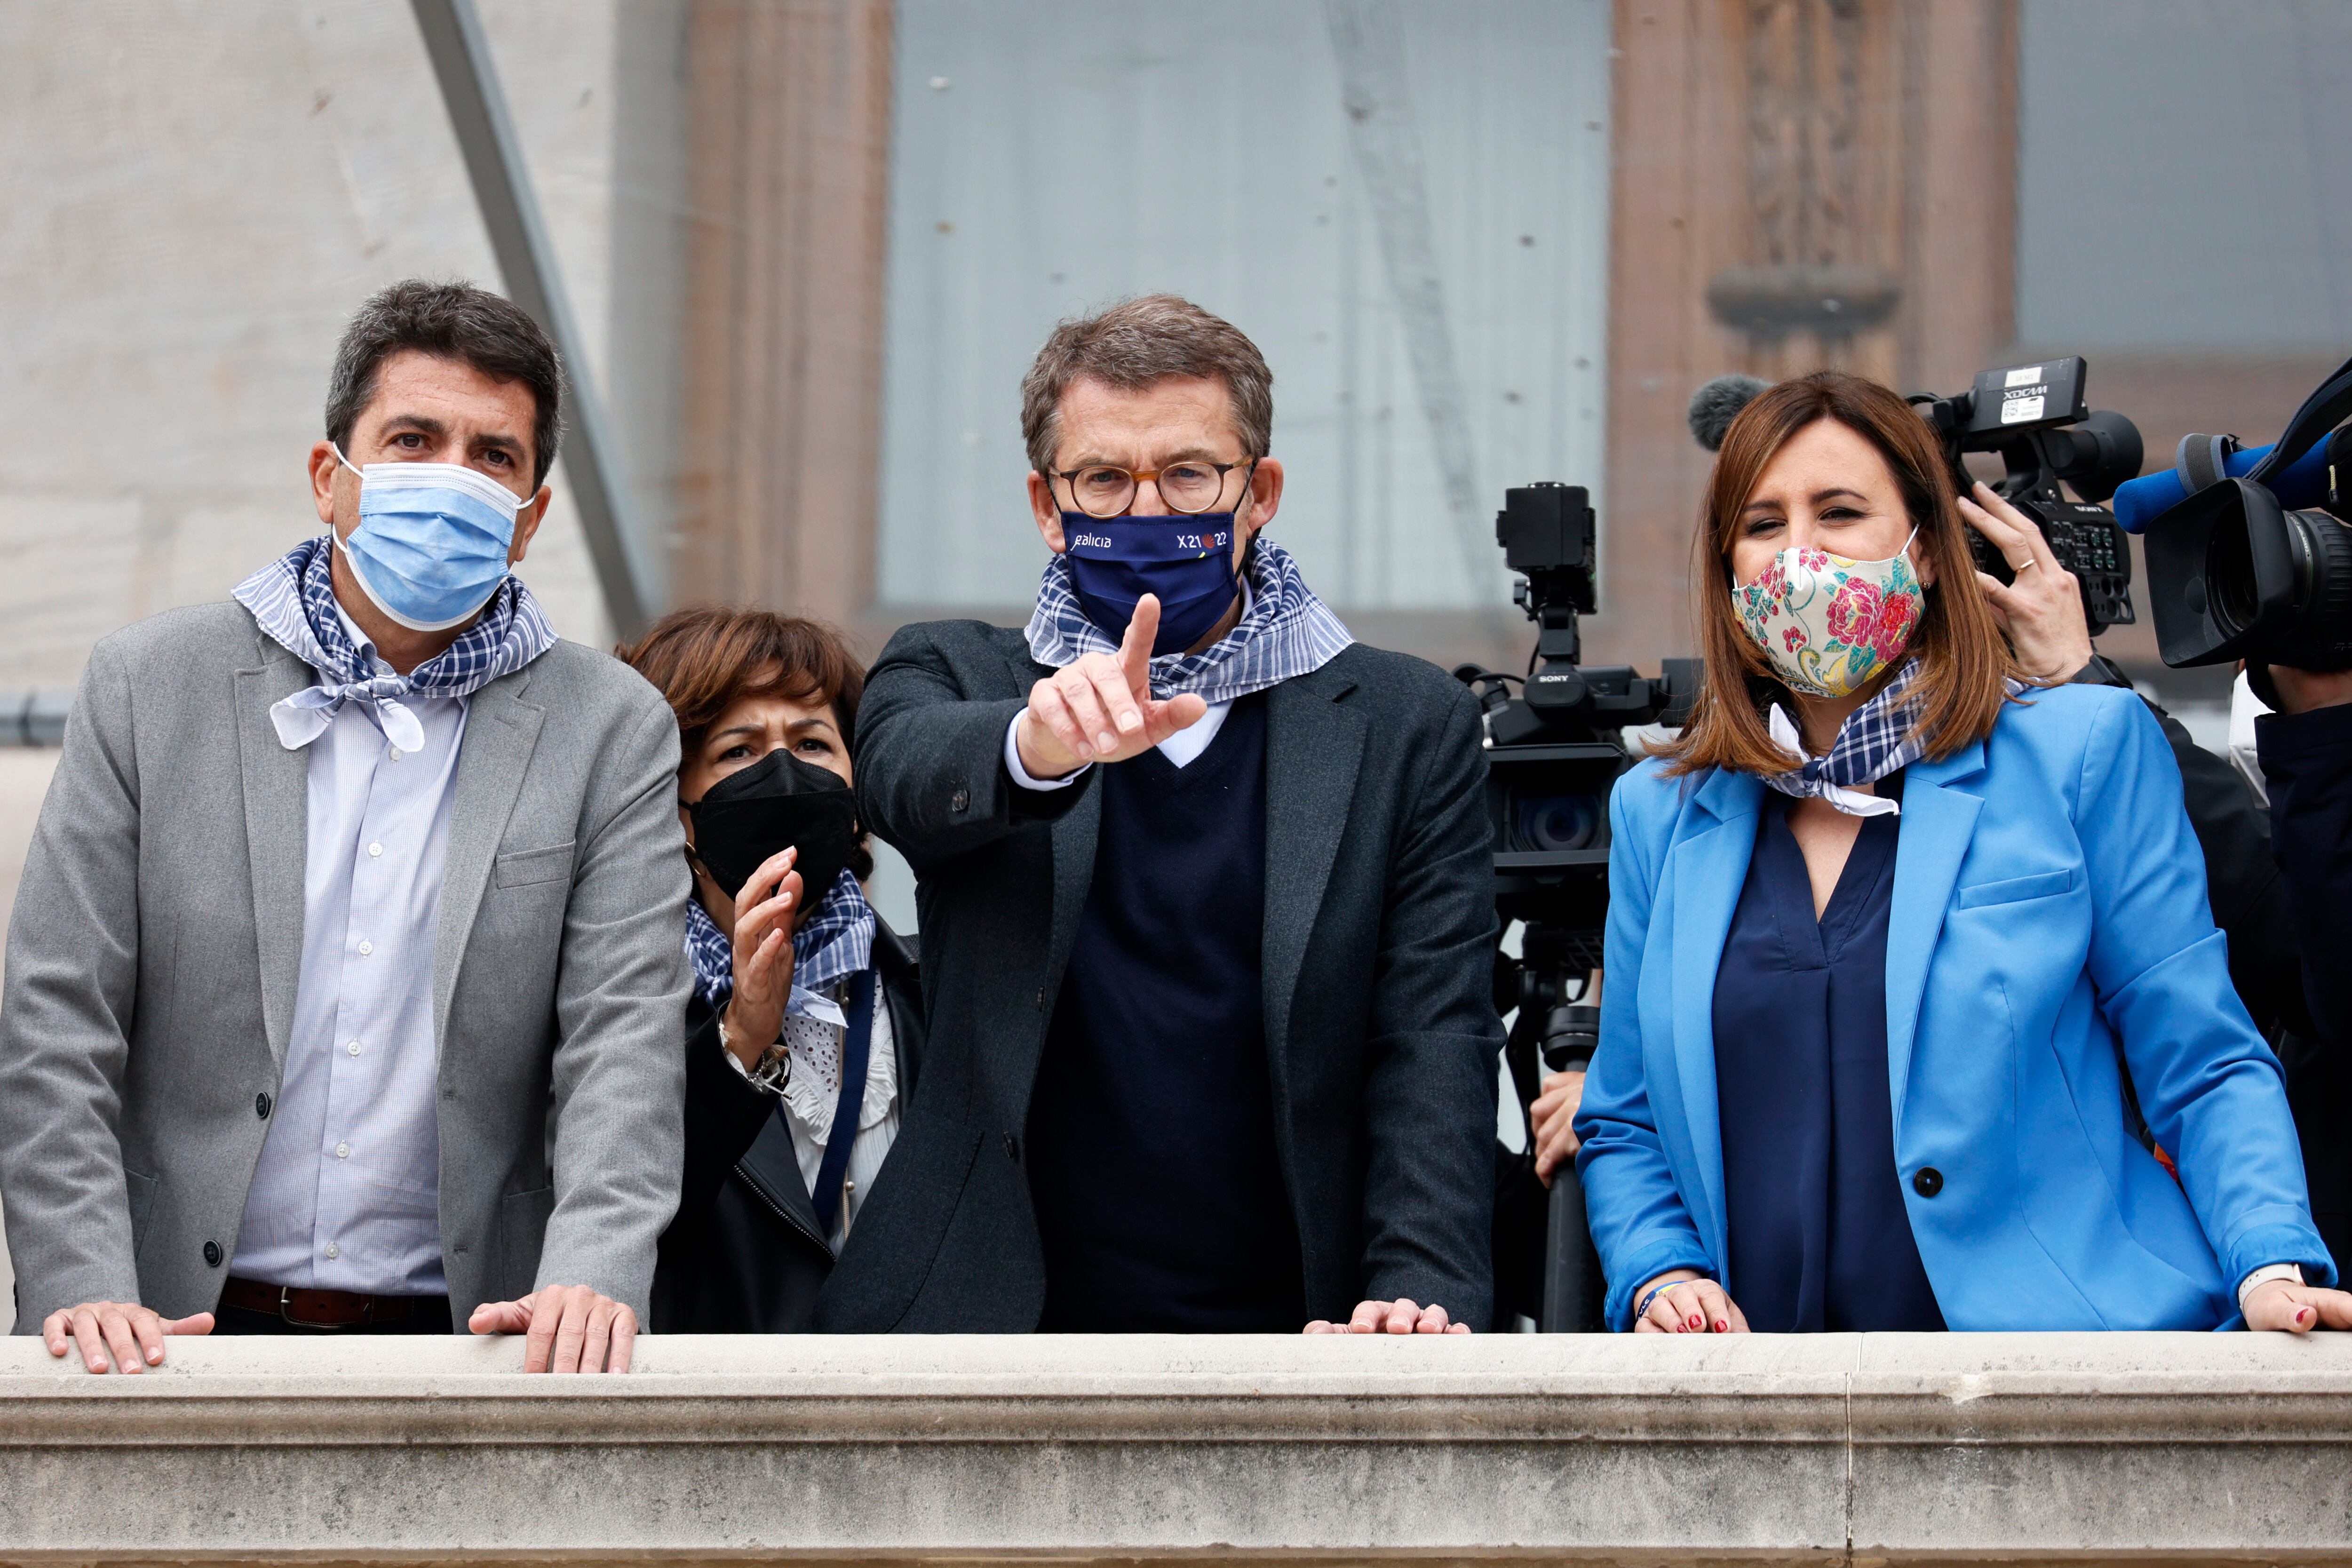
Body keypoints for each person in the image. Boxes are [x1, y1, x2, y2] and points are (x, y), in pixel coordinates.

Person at [0, 279, 689, 1373]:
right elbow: (55, 1015)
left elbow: (623, 1039)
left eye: (493, 455)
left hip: (476, 1348)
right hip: (164, 1339)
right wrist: (81, 1282)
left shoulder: (611, 728)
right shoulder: (149, 687)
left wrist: (596, 1267)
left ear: (532, 517)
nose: (452, 478)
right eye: (413, 439)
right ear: (332, 478)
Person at [1572, 368, 2351, 1335]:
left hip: (2059, 1374)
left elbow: (2199, 1058)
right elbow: (1625, 1114)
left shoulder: (2082, 749)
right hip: (1760, 1402)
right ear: (1726, 565)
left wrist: (2268, 1254)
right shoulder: (1661, 811)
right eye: (1763, 524)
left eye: (1841, 512)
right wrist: (1661, 1270)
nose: (1799, 557)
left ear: (1930, 552)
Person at [838, 295, 1498, 1336]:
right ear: (1046, 505)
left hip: (1307, 1330)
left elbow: (1431, 1030)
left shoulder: (1405, 723)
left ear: (1259, 491)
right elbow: (902, 774)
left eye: (1189, 473)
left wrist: (1417, 1288)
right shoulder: (955, 672)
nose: (1146, 510)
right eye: (1103, 477)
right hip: (992, 1331)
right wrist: (1036, 745)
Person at [617, 607, 923, 1332]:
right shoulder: (617, 1005)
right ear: (678, 808)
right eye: (739, 751)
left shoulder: (932, 993)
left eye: (814, 742)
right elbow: (624, 1219)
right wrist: (742, 1037)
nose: (783, 771)